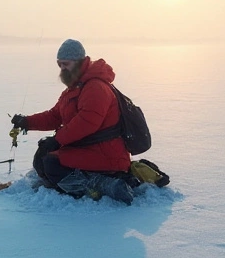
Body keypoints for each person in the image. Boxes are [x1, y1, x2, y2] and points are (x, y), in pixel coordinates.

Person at [11, 39, 136, 204]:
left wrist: (57, 140)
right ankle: (81, 180)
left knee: (52, 164)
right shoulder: (74, 88)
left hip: (107, 154)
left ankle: (103, 185)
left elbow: (87, 122)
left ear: (79, 62)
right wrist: (27, 122)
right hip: (88, 148)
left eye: (66, 64)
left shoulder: (96, 87)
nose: (62, 69)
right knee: (42, 159)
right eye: (60, 65)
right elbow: (55, 116)